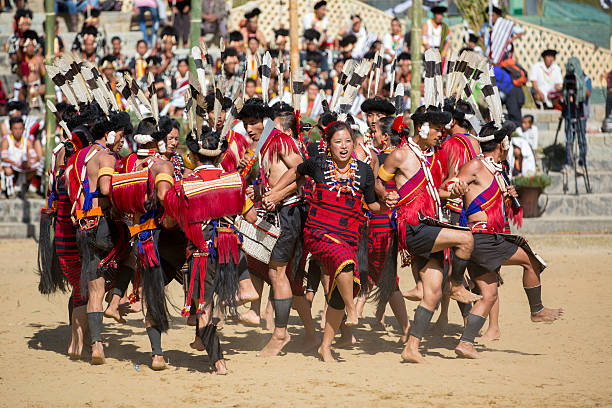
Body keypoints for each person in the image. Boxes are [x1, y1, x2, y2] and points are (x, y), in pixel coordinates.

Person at [264, 120, 389, 362]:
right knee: (344, 264)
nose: (344, 146)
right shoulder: (318, 163)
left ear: (354, 143)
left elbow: (372, 204)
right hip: (319, 232)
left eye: (348, 141)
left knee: (341, 289)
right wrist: (277, 192)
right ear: (329, 145)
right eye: (338, 142)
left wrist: (388, 204)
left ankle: (326, 346)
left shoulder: (363, 171)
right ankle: (353, 311)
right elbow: (295, 173)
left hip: (349, 236)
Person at [451, 121, 562, 358]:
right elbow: (448, 187)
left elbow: (491, 205)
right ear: (503, 143)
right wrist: (455, 187)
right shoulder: (475, 166)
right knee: (530, 260)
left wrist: (507, 198)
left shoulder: (497, 170)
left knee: (489, 295)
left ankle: (466, 343)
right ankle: (537, 309)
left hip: (488, 238)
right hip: (482, 239)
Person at [379, 105, 480, 364]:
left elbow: (435, 192)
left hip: (429, 225)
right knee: (466, 238)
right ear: (422, 128)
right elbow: (379, 181)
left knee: (433, 293)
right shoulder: (400, 156)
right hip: (412, 226)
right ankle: (457, 285)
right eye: (436, 128)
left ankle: (411, 347)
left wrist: (454, 191)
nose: (440, 133)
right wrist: (385, 195)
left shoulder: (436, 157)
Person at [164, 125, 257, 374]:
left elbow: (170, 222)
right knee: (209, 309)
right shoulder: (234, 180)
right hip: (230, 252)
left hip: (201, 253)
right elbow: (252, 217)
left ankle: (219, 362)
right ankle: (243, 288)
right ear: (219, 156)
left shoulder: (185, 184)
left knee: (202, 310)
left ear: (194, 157)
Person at [562, 57, 591, 173]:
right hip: (569, 112)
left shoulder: (586, 78)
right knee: (569, 139)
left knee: (581, 138)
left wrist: (579, 85)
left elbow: (588, 93)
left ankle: (581, 163)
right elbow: (563, 93)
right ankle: (568, 162)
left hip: (581, 113)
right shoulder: (567, 79)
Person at [1, 116, 38, 197]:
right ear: (11, 129)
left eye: (20, 128)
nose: (18, 131)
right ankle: (10, 191)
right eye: (15, 128)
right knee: (8, 170)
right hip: (12, 165)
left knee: (34, 169)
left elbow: (33, 156)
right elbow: (4, 157)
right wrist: (16, 163)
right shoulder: (6, 141)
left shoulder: (27, 141)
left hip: (23, 167)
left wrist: (29, 162)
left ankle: (24, 188)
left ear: (23, 129)